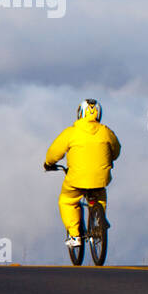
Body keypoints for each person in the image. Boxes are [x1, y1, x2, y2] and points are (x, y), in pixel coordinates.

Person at [43, 99, 121, 248]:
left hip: (76, 179)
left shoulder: (71, 133)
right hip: (100, 178)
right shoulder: (106, 132)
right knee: (100, 196)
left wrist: (48, 164)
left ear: (80, 113)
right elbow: (116, 151)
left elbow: (54, 152)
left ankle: (75, 235)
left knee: (67, 201)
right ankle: (99, 222)